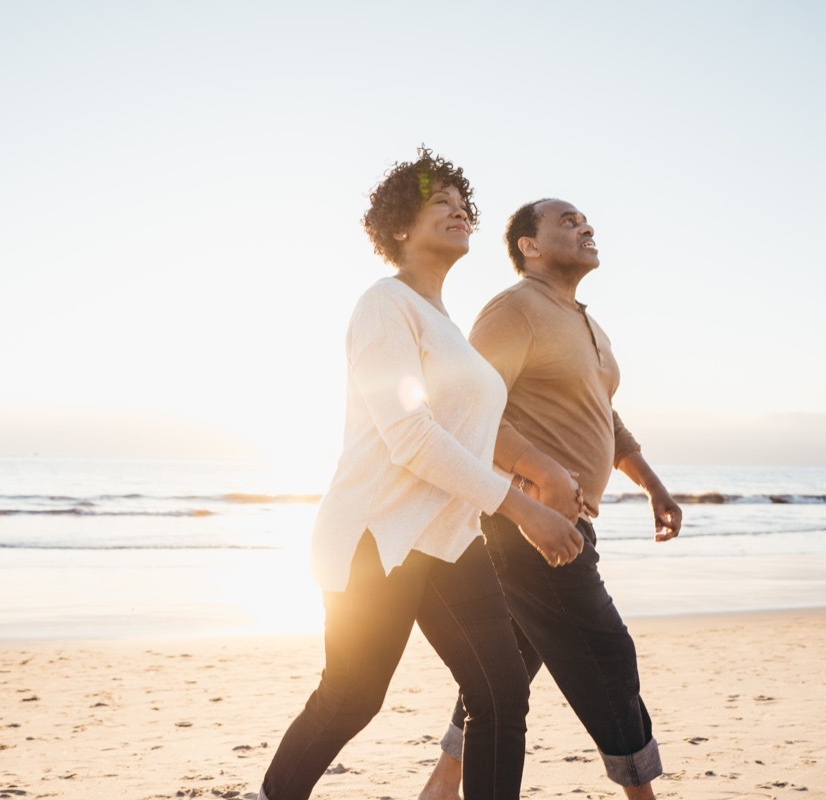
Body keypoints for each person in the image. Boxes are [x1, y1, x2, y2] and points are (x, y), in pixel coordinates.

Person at [257, 154, 585, 800]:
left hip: (447, 539)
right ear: (401, 227)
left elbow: (473, 434)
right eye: (441, 202)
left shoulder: (448, 328)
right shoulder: (384, 306)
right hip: (376, 536)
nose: (459, 210)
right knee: (352, 697)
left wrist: (541, 475)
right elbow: (411, 435)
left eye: (464, 203)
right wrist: (524, 510)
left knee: (501, 693)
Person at [419, 199, 683, 800]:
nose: (585, 226)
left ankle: (442, 783)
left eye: (586, 220)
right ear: (529, 247)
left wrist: (651, 483)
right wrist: (535, 476)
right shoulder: (515, 311)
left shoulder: (586, 323)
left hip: (568, 520)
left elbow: (602, 413)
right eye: (567, 221)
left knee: (508, 664)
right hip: (526, 523)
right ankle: (641, 793)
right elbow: (465, 408)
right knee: (607, 654)